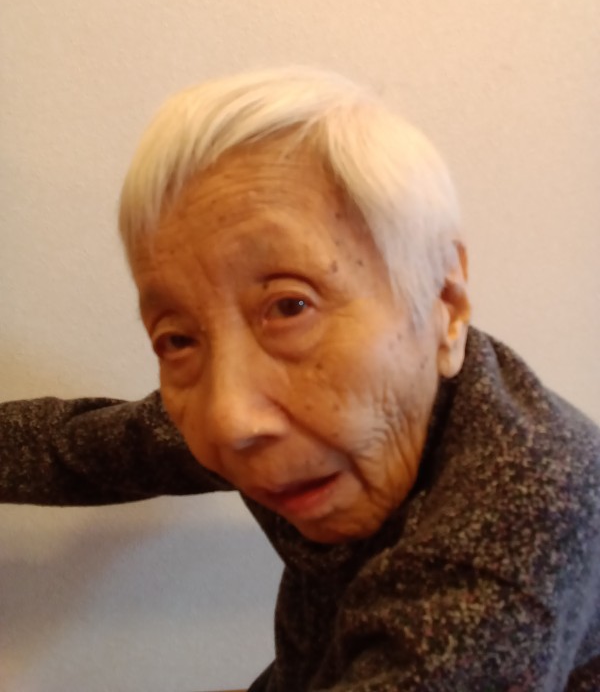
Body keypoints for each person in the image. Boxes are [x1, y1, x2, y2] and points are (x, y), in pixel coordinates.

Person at [1, 67, 599, 691]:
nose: (228, 419)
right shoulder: (319, 421)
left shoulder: (507, 544)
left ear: (442, 305)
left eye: (290, 307)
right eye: (177, 339)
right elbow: (82, 451)